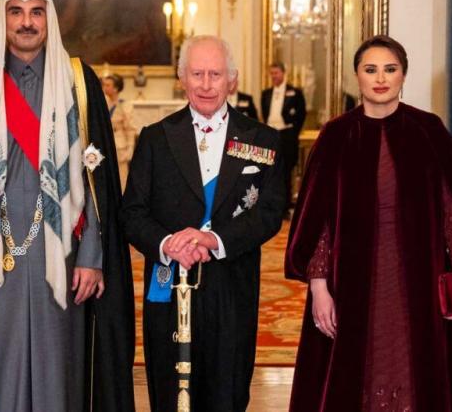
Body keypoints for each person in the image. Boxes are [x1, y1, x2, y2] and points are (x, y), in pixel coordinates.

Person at [0, 0, 135, 412]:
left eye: (36, 12)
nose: (26, 22)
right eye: (16, 11)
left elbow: (98, 176)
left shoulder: (79, 83)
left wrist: (92, 256)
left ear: (50, 20)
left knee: (62, 363)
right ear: (2, 18)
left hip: (62, 252)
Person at [285, 35, 452, 411]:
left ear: (403, 75)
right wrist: (319, 288)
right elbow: (317, 222)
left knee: (414, 369)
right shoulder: (335, 136)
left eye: (390, 69)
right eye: (370, 69)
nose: (380, 78)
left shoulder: (429, 131)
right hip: (347, 283)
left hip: (416, 281)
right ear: (357, 77)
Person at [121, 35, 285, 411]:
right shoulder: (155, 138)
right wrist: (167, 244)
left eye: (215, 74)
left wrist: (214, 240)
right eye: (197, 74)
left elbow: (270, 212)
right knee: (170, 389)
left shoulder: (262, 140)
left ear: (233, 79)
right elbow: (132, 213)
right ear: (182, 78)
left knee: (227, 389)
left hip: (232, 284)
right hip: (169, 285)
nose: (207, 84)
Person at [261, 62, 306, 217]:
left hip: (287, 136)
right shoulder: (266, 94)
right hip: (270, 136)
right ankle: (270, 205)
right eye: (271, 73)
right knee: (269, 173)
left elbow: (301, 115)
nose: (274, 76)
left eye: (276, 73)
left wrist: (292, 134)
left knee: (285, 172)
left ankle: (285, 207)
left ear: (283, 73)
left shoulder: (295, 92)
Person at [102, 73, 136, 191]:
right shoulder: (103, 103)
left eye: (108, 85)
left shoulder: (124, 105)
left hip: (119, 145)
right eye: (104, 85)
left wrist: (130, 148)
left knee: (121, 178)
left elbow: (130, 128)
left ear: (116, 88)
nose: (105, 87)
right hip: (105, 144)